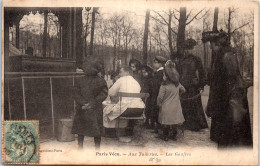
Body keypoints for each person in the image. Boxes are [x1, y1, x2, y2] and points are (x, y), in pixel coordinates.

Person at [202, 30, 253, 148]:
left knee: (232, 137)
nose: (211, 48)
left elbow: (232, 80)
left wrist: (226, 102)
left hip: (230, 102)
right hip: (224, 102)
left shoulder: (226, 55)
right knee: (224, 138)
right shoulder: (220, 55)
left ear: (217, 44)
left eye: (211, 45)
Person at [72, 56, 108, 150]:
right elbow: (104, 94)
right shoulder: (101, 80)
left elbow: (76, 94)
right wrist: (91, 103)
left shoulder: (79, 80)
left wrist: (83, 104)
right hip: (94, 108)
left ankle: (81, 147)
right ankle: (97, 148)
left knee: (82, 129)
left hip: (83, 108)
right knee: (96, 129)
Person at [177, 38, 208, 131]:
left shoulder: (196, 59)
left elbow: (201, 72)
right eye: (185, 49)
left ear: (193, 48)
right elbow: (178, 73)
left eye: (189, 48)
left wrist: (201, 85)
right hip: (183, 85)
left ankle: (196, 125)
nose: (187, 51)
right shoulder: (181, 60)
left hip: (193, 86)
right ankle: (185, 123)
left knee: (195, 105)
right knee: (184, 104)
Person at [103, 66, 145, 133]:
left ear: (127, 72)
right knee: (118, 106)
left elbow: (110, 93)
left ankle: (111, 131)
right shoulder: (136, 82)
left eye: (121, 72)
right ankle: (128, 129)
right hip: (139, 110)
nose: (119, 74)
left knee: (108, 109)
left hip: (126, 111)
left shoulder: (121, 80)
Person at [157, 60, 186, 141]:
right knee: (174, 123)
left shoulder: (164, 85)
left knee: (165, 123)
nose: (163, 76)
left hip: (166, 107)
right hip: (176, 107)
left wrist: (158, 103)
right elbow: (184, 90)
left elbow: (160, 97)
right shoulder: (177, 84)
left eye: (164, 75)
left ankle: (165, 135)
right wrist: (178, 94)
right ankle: (174, 135)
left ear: (166, 76)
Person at [151, 55, 167, 133]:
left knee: (158, 111)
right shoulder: (158, 72)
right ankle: (157, 127)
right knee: (156, 111)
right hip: (156, 94)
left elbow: (158, 85)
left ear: (160, 64)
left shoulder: (161, 73)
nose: (154, 64)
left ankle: (159, 128)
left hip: (158, 94)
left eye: (155, 62)